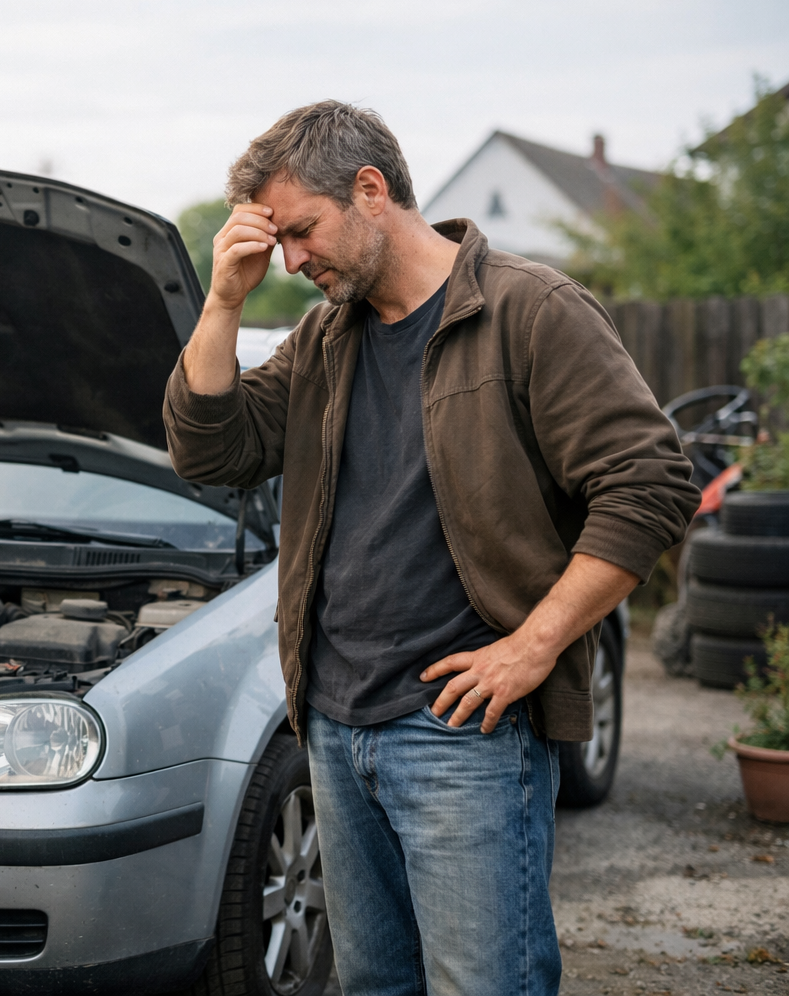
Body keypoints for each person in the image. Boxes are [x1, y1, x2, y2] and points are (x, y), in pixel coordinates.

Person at [162, 101, 698, 995]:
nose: (291, 261)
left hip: (464, 735)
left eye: (301, 231)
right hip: (335, 725)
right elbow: (213, 450)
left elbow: (650, 485)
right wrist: (223, 302)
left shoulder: (532, 311)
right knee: (374, 986)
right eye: (278, 241)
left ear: (371, 191)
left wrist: (532, 647)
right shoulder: (325, 338)